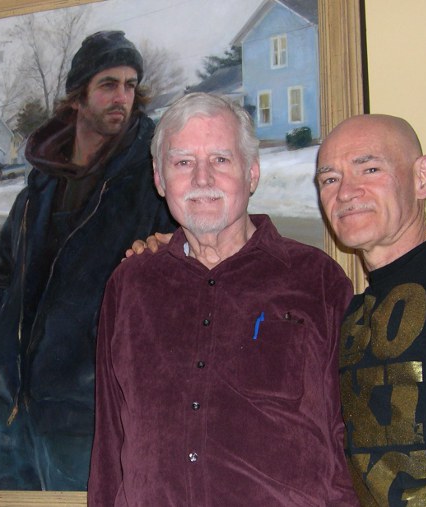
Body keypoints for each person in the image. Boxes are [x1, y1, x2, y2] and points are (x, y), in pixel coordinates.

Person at [88, 93, 358, 505]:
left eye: (220, 159)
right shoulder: (130, 285)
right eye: (183, 162)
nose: (202, 179)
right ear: (160, 180)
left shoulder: (317, 280)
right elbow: (109, 445)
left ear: (252, 174)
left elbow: (348, 440)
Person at [0, 30, 174, 490]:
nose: (122, 97)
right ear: (78, 97)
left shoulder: (152, 182)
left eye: (130, 85)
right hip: (10, 415)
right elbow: (3, 271)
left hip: (87, 422)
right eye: (108, 84)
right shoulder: (41, 184)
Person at [316, 114, 426, 506]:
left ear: (422, 177)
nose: (346, 192)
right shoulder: (351, 313)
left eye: (370, 169)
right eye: (330, 179)